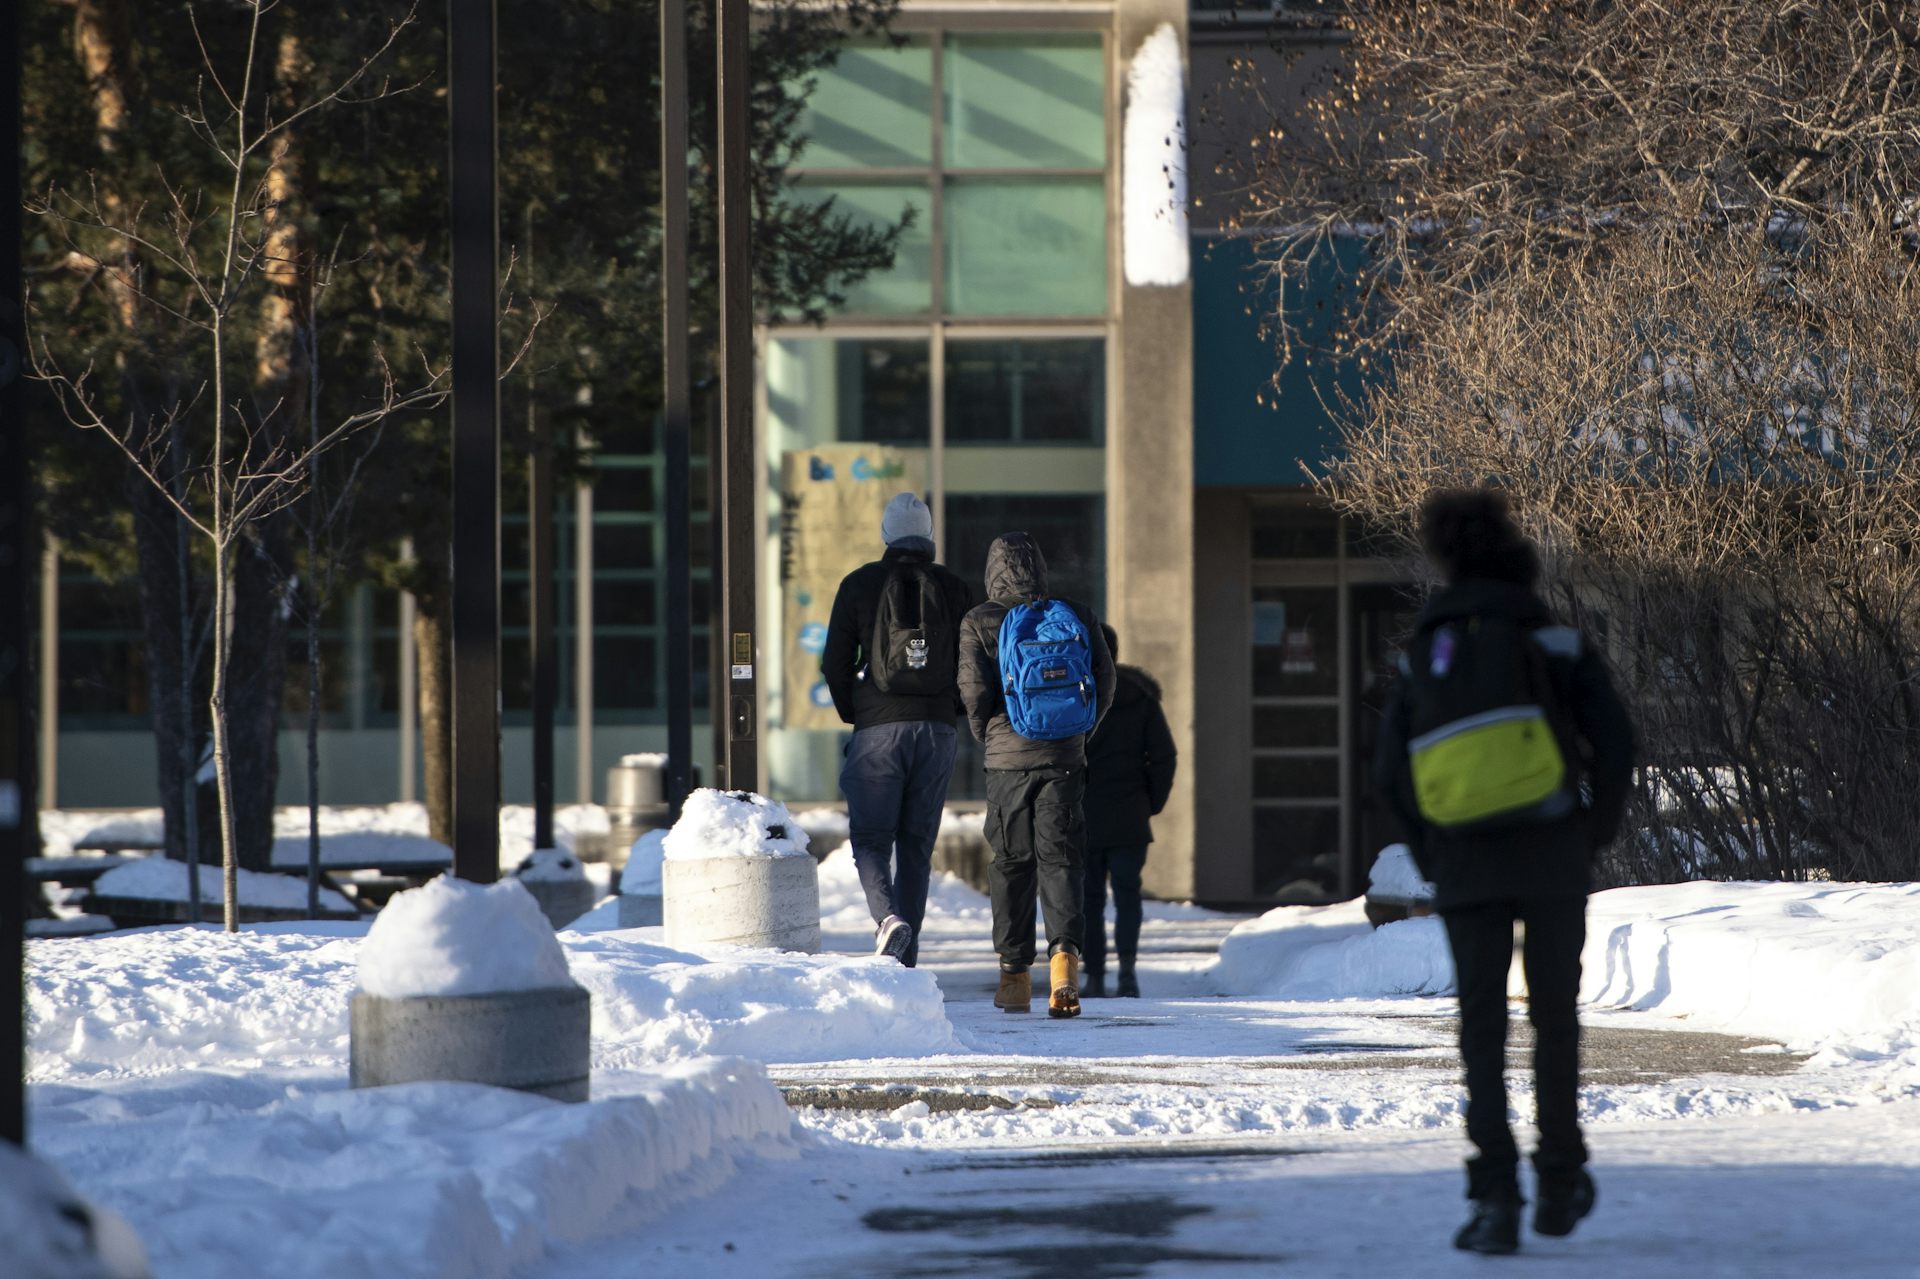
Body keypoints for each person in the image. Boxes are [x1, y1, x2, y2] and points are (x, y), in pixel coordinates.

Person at [1374, 489, 1635, 1256]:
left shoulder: (1424, 653)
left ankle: (1494, 1198)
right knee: (1555, 1018)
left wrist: (1435, 852)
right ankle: (1560, 1178)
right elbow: (1616, 743)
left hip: (1465, 864)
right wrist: (1592, 830)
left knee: (1481, 1028)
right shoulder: (1553, 638)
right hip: (1553, 851)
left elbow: (1391, 773)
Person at [957, 532, 1116, 1018]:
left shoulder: (980, 620)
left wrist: (988, 735)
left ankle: (1014, 976)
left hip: (1007, 760)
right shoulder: (1077, 613)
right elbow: (1105, 681)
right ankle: (1065, 961)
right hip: (1064, 755)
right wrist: (1079, 733)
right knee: (1061, 859)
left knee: (1012, 863)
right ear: (1041, 569)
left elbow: (974, 690)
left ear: (993, 572)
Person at [822, 492, 975, 967]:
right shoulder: (955, 588)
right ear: (928, 535)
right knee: (916, 844)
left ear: (886, 534)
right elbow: (972, 662)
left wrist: (857, 711)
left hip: (878, 730)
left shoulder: (859, 584)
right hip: (937, 730)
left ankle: (888, 921)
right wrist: (953, 709)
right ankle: (907, 962)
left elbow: (835, 662)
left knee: (871, 837)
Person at [1080, 623, 1177, 999]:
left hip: (1084, 812)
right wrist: (1150, 802)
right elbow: (1164, 756)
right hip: (1129, 813)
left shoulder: (1075, 696)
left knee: (1088, 898)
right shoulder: (1141, 697)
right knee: (1127, 895)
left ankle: (1093, 975)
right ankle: (1127, 971)